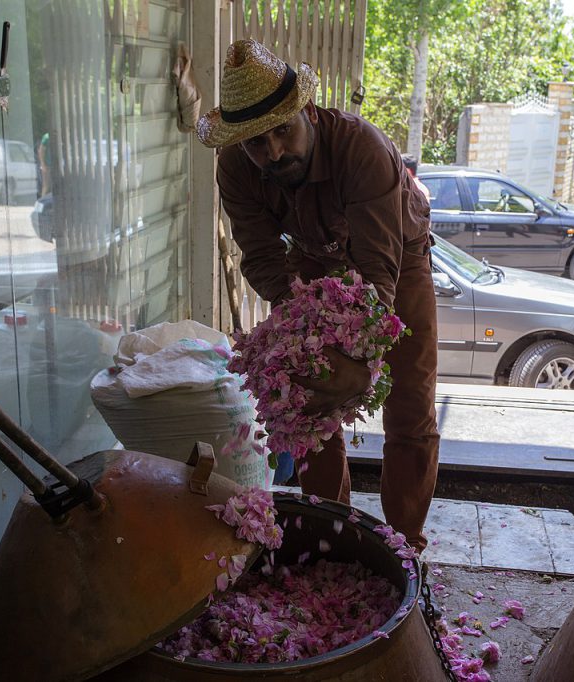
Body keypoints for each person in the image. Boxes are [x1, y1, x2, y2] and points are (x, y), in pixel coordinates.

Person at [198, 39, 439, 551]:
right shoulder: (237, 169)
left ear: (307, 110)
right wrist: (306, 342)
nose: (274, 153)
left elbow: (378, 273)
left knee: (410, 406)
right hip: (313, 258)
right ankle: (329, 534)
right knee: (307, 395)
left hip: (399, 258)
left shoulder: (362, 148)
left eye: (283, 131)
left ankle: (407, 544)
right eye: (256, 143)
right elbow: (263, 259)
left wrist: (356, 353)